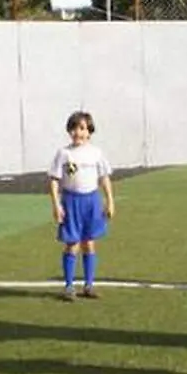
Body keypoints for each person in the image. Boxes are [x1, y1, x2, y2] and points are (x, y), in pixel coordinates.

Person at [48, 111, 115, 301]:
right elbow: (54, 180)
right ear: (69, 131)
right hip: (71, 201)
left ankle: (89, 285)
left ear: (90, 132)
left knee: (89, 242)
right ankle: (69, 287)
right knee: (72, 243)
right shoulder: (64, 153)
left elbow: (104, 178)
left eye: (83, 128)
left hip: (92, 201)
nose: (78, 133)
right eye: (75, 128)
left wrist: (109, 200)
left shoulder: (96, 153)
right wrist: (56, 204)